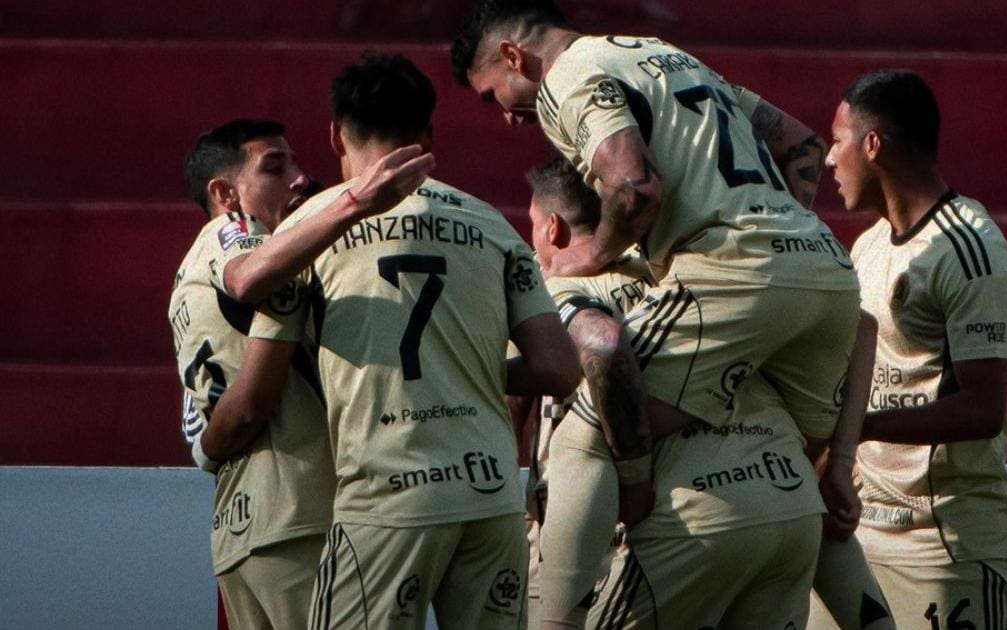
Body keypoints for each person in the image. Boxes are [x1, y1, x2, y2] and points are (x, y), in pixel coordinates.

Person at [214, 54, 579, 630]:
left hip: (387, 498)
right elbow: (559, 369)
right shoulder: (492, 226)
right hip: (489, 496)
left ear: (335, 134)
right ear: (428, 135)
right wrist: (464, 368)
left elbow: (249, 309)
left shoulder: (309, 230)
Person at [451, 1, 862, 511]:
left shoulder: (568, 76)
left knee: (591, 433)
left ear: (514, 56)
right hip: (825, 267)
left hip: (732, 270)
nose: (508, 118)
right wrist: (782, 235)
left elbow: (634, 188)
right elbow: (803, 145)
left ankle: (589, 561)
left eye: (493, 95)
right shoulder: (661, 53)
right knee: (792, 460)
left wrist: (593, 252)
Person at [523, 157, 835, 629]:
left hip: (664, 521)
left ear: (552, 228)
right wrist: (842, 457)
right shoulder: (681, 272)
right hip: (786, 494)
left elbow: (601, 344)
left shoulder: (555, 287)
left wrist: (633, 478)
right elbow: (861, 326)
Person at [818, 69, 1007, 629]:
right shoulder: (865, 248)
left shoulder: (970, 251)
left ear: (872, 145)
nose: (829, 159)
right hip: (858, 535)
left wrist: (857, 428)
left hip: (944, 543)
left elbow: (983, 409)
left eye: (837, 141)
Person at [169, 119, 335, 629]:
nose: (300, 178)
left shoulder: (189, 277)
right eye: (274, 167)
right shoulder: (237, 232)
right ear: (225, 194)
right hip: (297, 513)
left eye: (296, 162)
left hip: (243, 524)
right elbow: (248, 278)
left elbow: (205, 426)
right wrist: (350, 206)